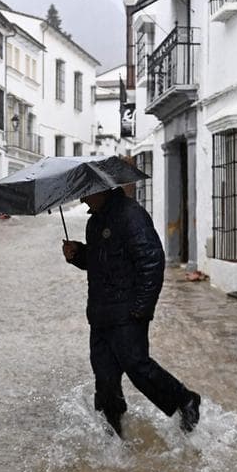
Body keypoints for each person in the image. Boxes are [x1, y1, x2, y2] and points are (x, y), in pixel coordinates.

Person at [62, 187, 201, 438]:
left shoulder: (131, 215)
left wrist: (142, 308)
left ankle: (185, 400)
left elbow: (152, 260)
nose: (82, 199)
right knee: (104, 378)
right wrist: (78, 254)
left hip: (127, 313)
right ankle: (113, 433)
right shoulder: (94, 223)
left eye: (86, 194)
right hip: (100, 314)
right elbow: (98, 262)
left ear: (101, 191)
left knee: (138, 368)